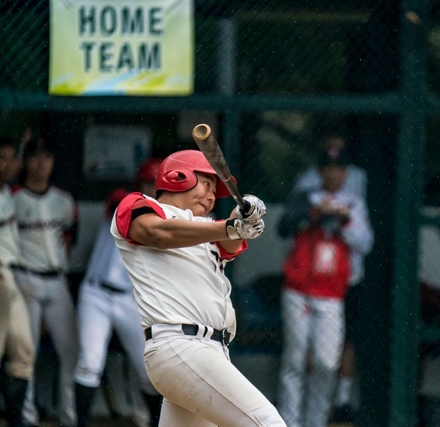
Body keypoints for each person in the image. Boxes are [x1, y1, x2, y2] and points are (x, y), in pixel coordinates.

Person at [111, 149, 286, 427]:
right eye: (207, 184)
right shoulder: (139, 204)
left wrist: (244, 217)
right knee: (266, 421)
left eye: (215, 190)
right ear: (178, 177)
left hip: (208, 353)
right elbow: (159, 233)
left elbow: (227, 241)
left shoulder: (205, 228)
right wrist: (230, 227)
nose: (211, 196)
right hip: (181, 345)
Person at [277, 147, 374, 427]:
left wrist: (343, 220)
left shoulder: (354, 202)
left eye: (339, 168)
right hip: (299, 288)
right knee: (295, 360)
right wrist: (316, 214)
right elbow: (284, 230)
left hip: (333, 291)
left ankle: (316, 421)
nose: (334, 173)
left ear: (346, 172)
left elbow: (364, 243)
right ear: (319, 172)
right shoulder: (305, 198)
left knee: (327, 362)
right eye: (328, 168)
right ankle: (289, 421)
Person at [74, 159, 164, 427]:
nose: (152, 188)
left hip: (130, 301)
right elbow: (117, 200)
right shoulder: (123, 202)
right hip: (96, 295)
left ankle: (156, 422)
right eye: (147, 182)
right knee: (89, 363)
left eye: (157, 185)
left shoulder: (167, 220)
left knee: (150, 373)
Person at [12, 137, 79, 427]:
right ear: (26, 162)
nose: (41, 163)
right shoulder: (11, 199)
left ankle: (70, 417)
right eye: (35, 157)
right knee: (25, 353)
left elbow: (69, 236)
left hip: (57, 280)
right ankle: (27, 418)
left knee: (72, 351)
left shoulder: (63, 201)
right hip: (25, 278)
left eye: (47, 157)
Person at [0, 138, 35, 427]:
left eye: (13, 159)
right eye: (3, 158)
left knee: (23, 351)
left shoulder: (6, 192)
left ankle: (15, 421)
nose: (11, 165)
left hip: (10, 274)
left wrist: (21, 148)